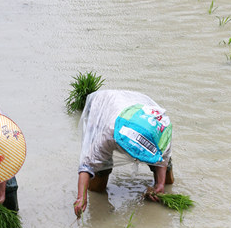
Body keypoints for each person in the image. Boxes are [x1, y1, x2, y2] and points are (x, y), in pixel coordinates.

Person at [74, 89, 174, 217]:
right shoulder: (110, 134)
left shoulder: (162, 132)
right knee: (97, 185)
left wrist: (160, 185)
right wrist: (81, 197)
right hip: (107, 105)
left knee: (166, 179)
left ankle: (161, 180)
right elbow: (87, 166)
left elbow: (163, 157)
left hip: (139, 107)